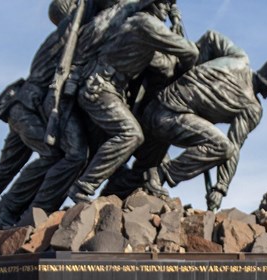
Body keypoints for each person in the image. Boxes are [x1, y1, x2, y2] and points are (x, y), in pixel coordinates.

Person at [0, 0, 80, 239]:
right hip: (28, 109)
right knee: (52, 154)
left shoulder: (59, 37)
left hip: (22, 107)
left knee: (6, 168)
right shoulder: (64, 34)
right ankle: (7, 209)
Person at [116, 31, 267, 210]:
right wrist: (221, 188)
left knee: (135, 178)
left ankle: (115, 197)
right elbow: (233, 146)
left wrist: (192, 71)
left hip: (155, 107)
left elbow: (211, 38)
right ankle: (160, 175)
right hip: (168, 119)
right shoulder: (252, 108)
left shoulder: (239, 58)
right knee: (222, 147)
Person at [66, 0, 198, 205]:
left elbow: (163, 64)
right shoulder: (145, 23)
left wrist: (176, 27)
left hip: (113, 90)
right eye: (163, 3)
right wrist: (185, 69)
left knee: (145, 131)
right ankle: (82, 187)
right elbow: (190, 52)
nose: (166, 8)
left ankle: (140, 181)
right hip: (100, 89)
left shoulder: (140, 24)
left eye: (170, 5)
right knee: (131, 134)